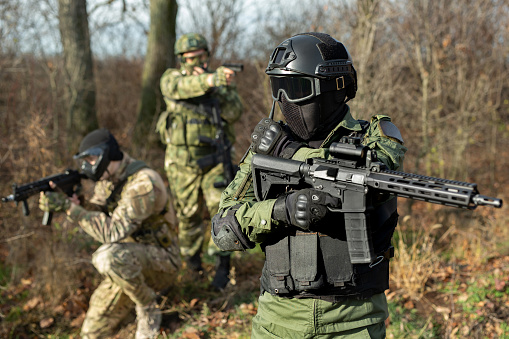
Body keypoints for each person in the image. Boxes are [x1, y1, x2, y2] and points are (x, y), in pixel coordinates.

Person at [211, 32, 407, 338]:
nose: (285, 100)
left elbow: (376, 175)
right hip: (278, 320)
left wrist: (290, 153)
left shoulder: (375, 137)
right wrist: (280, 210)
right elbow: (223, 230)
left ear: (333, 87)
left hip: (354, 322)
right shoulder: (266, 151)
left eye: (297, 87)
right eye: (278, 88)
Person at [39, 128, 181, 339]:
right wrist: (79, 204)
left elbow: (113, 231)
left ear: (107, 154)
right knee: (91, 332)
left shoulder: (143, 183)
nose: (88, 166)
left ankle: (148, 306)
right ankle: (140, 298)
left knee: (107, 257)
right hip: (129, 264)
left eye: (91, 158)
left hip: (162, 262)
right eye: (84, 160)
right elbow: (100, 214)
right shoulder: (108, 182)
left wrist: (70, 210)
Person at [156, 33, 243, 290]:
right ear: (182, 60)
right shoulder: (172, 78)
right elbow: (178, 88)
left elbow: (234, 112)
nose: (197, 61)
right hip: (182, 163)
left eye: (202, 56)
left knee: (223, 210)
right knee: (188, 215)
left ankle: (222, 266)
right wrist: (208, 80)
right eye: (191, 58)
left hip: (215, 159)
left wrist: (222, 87)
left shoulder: (219, 80)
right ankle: (192, 266)